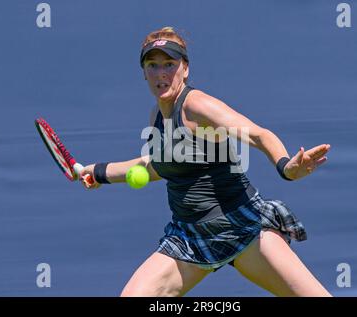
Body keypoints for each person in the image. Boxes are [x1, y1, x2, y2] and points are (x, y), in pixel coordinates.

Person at [80, 27, 332, 297]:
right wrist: (98, 172)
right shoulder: (156, 116)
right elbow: (156, 166)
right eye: (152, 65)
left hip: (242, 228)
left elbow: (258, 135)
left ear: (185, 69)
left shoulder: (197, 106)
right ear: (143, 72)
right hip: (188, 239)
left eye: (169, 64)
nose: (161, 73)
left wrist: (286, 167)